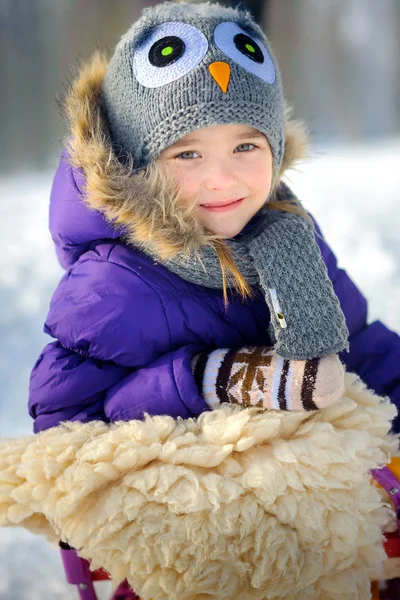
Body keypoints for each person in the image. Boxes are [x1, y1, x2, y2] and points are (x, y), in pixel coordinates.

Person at [28, 0, 400, 438]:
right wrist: (212, 378)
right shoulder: (111, 285)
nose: (223, 179)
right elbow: (65, 426)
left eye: (246, 147)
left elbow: (363, 350)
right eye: (188, 154)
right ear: (136, 167)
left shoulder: (291, 239)